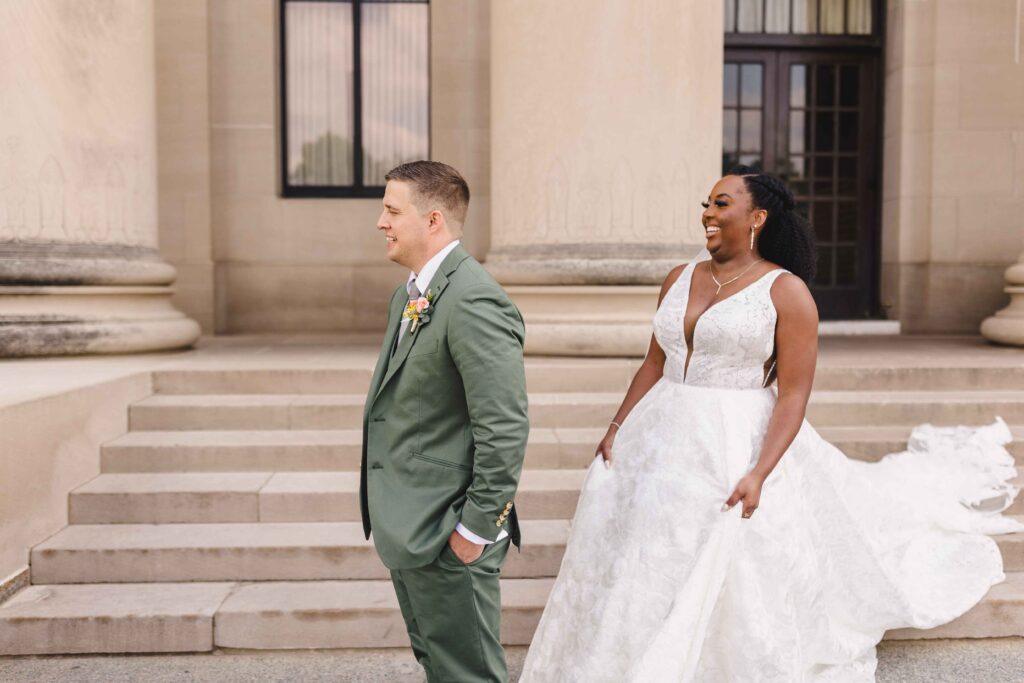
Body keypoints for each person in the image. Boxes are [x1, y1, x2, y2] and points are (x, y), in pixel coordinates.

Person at [519, 166, 1022, 682]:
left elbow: (795, 393)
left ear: (756, 217)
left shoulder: (786, 292)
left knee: (718, 545)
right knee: (647, 545)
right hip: (662, 428)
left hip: (734, 434)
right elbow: (654, 361)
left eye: (720, 204)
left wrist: (760, 470)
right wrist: (618, 424)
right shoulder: (678, 278)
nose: (707, 215)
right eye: (707, 204)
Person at [360, 160, 529, 682]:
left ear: (433, 220)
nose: (381, 222)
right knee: (441, 668)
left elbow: (503, 424)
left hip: (446, 529)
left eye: (392, 210)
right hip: (410, 523)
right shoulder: (408, 294)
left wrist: (474, 529)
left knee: (469, 674)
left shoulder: (473, 297)